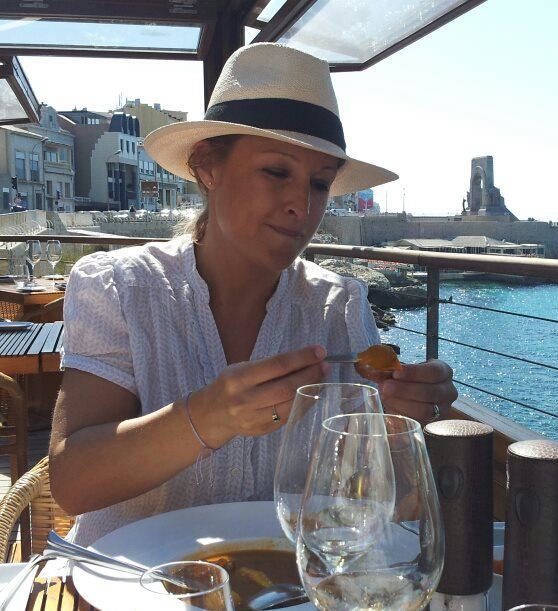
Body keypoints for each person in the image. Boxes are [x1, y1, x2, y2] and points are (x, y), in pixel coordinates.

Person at [49, 43, 458, 546]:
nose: (301, 205)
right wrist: (210, 415)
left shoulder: (339, 307)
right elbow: (71, 483)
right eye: (277, 172)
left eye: (319, 184)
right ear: (208, 167)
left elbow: (381, 506)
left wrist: (403, 428)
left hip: (287, 581)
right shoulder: (121, 288)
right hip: (125, 580)